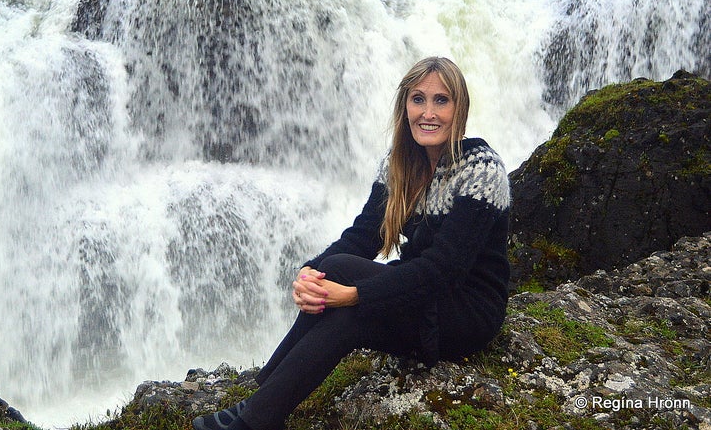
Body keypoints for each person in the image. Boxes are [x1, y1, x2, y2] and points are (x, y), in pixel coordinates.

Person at [193, 56, 511, 430]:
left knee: (350, 312)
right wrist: (311, 271)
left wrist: (354, 294)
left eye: (441, 100)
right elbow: (362, 237)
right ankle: (260, 404)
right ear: (404, 106)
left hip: (466, 310)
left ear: (459, 108)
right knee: (335, 267)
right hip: (419, 290)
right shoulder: (400, 164)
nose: (428, 112)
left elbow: (443, 270)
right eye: (418, 99)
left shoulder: (481, 170)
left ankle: (256, 416)